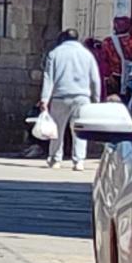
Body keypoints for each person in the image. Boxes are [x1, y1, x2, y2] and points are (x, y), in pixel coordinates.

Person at [41, 27, 105, 167]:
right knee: (79, 130)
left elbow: (48, 78)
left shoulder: (54, 53)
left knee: (57, 130)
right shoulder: (87, 54)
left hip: (60, 97)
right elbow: (95, 79)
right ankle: (79, 161)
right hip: (82, 98)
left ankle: (55, 159)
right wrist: (96, 98)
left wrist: (45, 99)